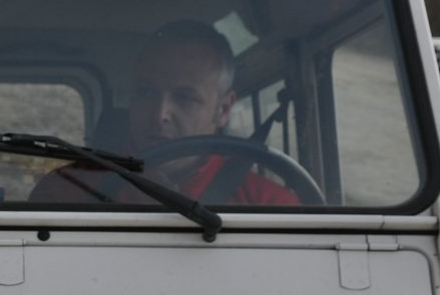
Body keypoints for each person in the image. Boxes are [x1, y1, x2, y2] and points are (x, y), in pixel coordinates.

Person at [30, 21, 299, 206]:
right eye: (146, 93)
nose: (160, 114)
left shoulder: (269, 204)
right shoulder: (67, 191)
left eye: (185, 98)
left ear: (223, 109)